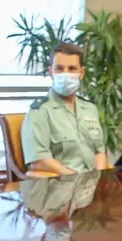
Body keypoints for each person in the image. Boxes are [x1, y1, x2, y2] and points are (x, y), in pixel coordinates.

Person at [20, 42, 108, 176]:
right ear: (51, 72)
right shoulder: (40, 111)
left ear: (81, 72)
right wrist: (74, 179)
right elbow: (38, 161)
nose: (66, 74)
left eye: (72, 69)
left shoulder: (90, 109)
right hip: (60, 187)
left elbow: (99, 152)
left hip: (91, 189)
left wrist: (101, 181)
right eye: (59, 69)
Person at [20, 169, 101, 241]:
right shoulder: (84, 202)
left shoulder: (35, 204)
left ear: (43, 238)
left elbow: (37, 168)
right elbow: (96, 172)